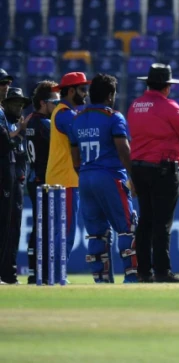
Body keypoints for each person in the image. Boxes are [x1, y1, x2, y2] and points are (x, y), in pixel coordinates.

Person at [127, 63, 179, 283]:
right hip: (163, 170)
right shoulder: (170, 107)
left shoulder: (135, 106)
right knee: (162, 223)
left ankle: (143, 271)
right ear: (166, 87)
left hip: (139, 168)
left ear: (148, 83)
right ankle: (162, 271)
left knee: (146, 220)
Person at [70, 74, 139, 283]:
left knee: (96, 233)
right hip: (110, 177)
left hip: (85, 177)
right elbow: (123, 150)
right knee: (127, 228)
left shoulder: (77, 119)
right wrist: (133, 178)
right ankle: (132, 278)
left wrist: (84, 175)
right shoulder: (113, 117)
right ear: (110, 96)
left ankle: (101, 281)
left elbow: (74, 157)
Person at [46, 72, 91, 283]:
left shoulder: (64, 112)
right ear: (71, 90)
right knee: (66, 230)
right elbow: (82, 130)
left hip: (60, 179)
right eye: (82, 89)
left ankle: (54, 274)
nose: (86, 93)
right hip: (65, 180)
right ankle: (57, 275)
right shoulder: (64, 113)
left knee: (61, 230)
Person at [25, 80, 60, 284]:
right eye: (54, 102)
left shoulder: (30, 121)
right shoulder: (45, 124)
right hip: (43, 180)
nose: (56, 105)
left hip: (33, 178)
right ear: (42, 102)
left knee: (39, 227)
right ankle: (43, 273)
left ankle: (34, 271)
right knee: (46, 227)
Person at [0, 87, 30, 284]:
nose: (18, 107)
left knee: (14, 228)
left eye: (20, 104)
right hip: (5, 179)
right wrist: (19, 133)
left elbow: (23, 156)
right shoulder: (8, 125)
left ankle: (9, 274)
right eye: (14, 103)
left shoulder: (18, 126)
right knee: (4, 226)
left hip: (17, 181)